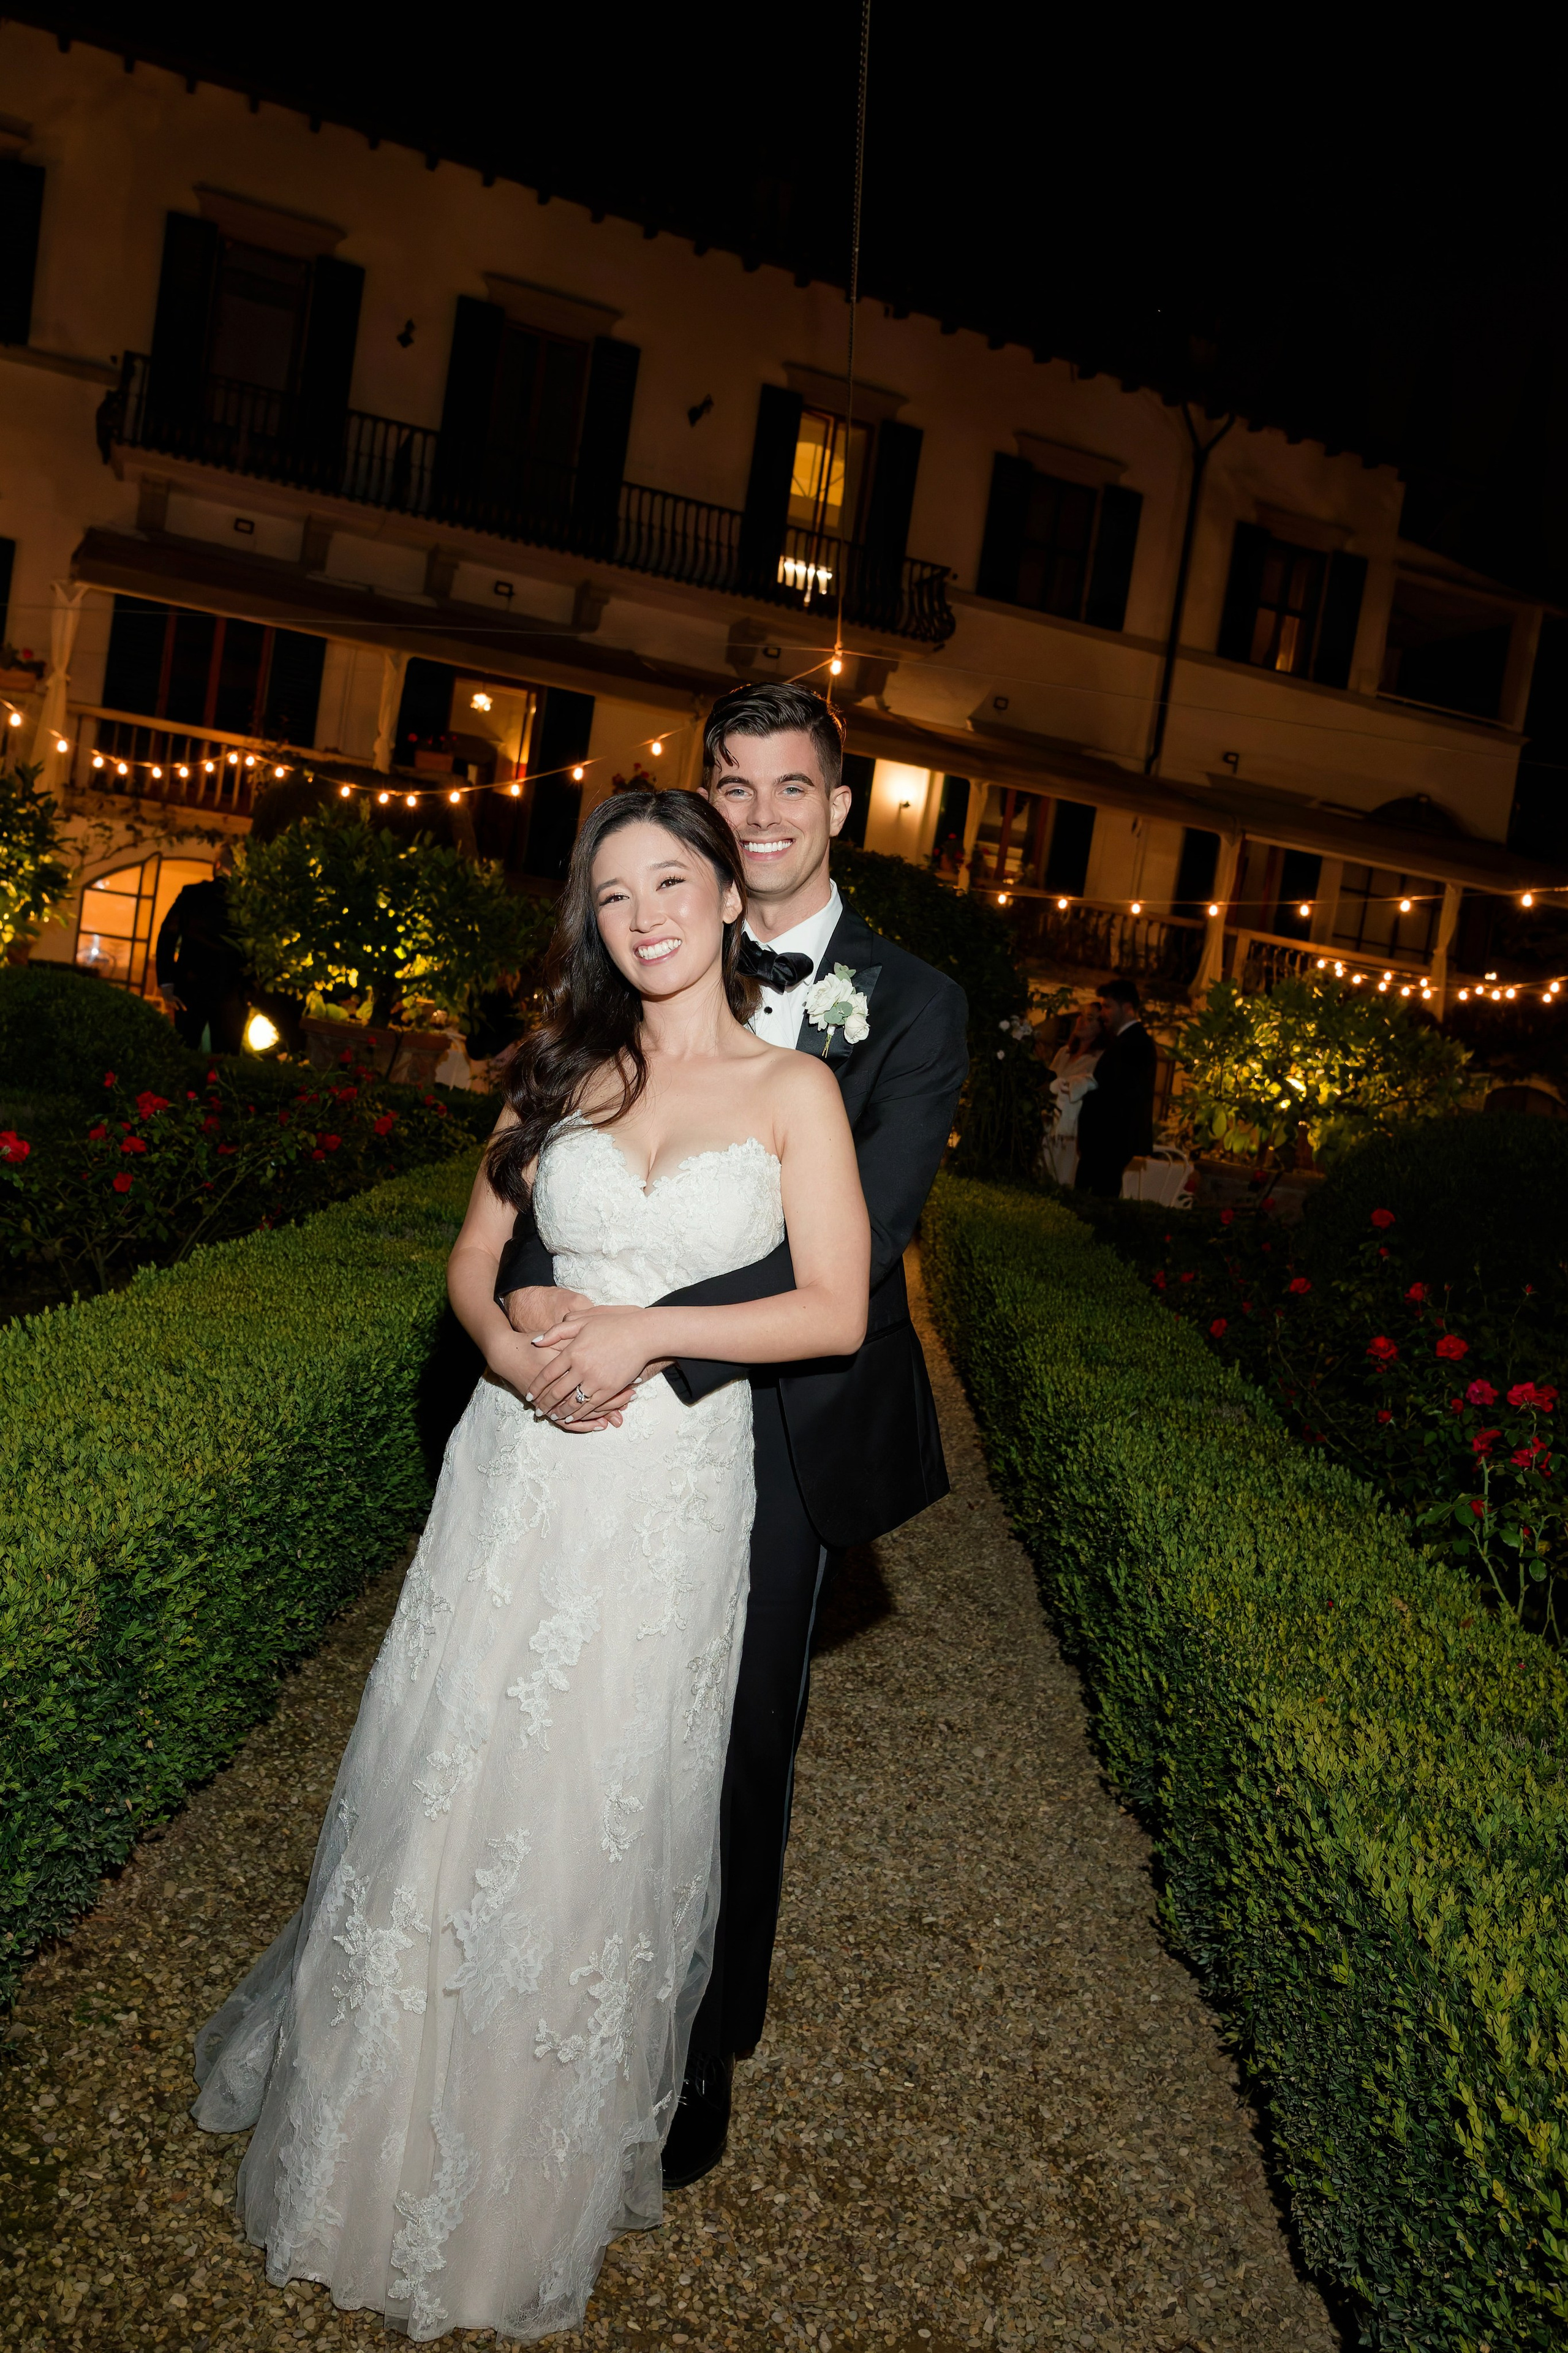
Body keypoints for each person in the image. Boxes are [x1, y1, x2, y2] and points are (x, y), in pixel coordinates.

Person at [191, 788, 869, 2343]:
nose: (644, 912)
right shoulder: (558, 1067)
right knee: (449, 1767)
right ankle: (370, 2113)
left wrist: (646, 1326)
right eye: (614, 889)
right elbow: (475, 1259)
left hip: (666, 1487)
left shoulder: (792, 1092)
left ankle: (514, 2173)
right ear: (593, 914)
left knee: (595, 1793)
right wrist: (507, 1348)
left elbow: (832, 1306)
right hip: (515, 1470)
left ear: (723, 895)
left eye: (671, 880)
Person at [496, 681, 970, 2188]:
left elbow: (866, 1232)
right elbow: (564, 1163)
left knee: (733, 1723)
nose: (762, 816)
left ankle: (702, 2034)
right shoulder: (653, 935)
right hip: (596, 1402)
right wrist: (552, 1323)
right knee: (564, 1692)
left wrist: (647, 1337)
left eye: (792, 788)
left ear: (840, 806)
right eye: (735, 785)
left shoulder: (909, 1001)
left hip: (778, 1417)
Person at [155, 840, 249, 1054]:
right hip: (232, 993)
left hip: (190, 988)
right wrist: (251, 991)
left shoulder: (193, 895)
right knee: (226, 1059)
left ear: (217, 865)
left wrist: (167, 982)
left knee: (184, 1052)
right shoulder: (248, 902)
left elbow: (167, 935)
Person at [1073, 975, 1156, 1198]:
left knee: (1094, 1202)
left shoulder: (1135, 1042)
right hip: (1103, 1143)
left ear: (1127, 1008)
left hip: (1108, 1143)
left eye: (1108, 1007)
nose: (1103, 1014)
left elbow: (1119, 1095)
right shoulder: (1124, 1040)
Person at [1044, 1003, 1106, 1184]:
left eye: (1090, 1018)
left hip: (1071, 1131)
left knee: (1062, 1178)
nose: (1082, 1021)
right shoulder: (1064, 1052)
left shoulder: (1099, 1059)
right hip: (1049, 1125)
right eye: (1081, 1016)